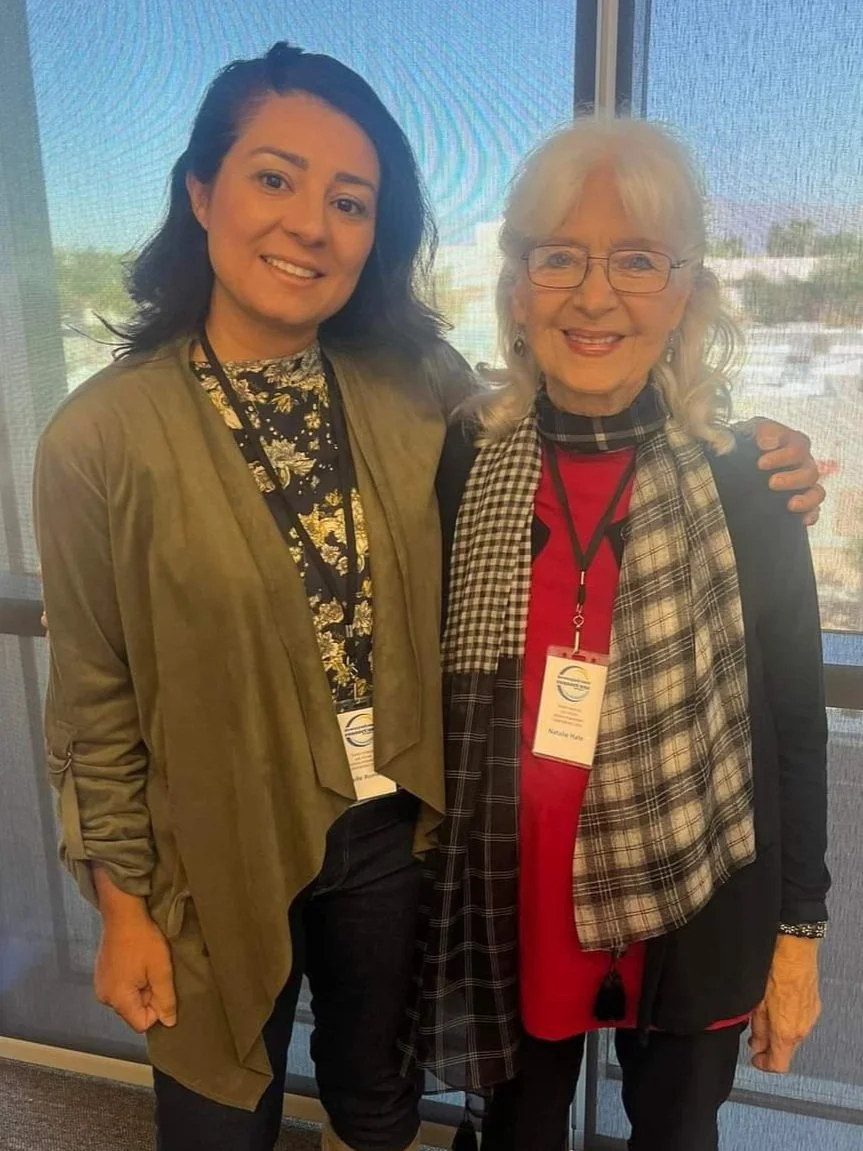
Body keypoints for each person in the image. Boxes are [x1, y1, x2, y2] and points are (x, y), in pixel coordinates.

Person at [34, 44, 821, 1151]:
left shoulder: (419, 396)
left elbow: (596, 380)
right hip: (224, 840)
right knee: (214, 1112)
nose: (309, 223)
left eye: (347, 200)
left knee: (378, 1099)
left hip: (407, 832)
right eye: (273, 178)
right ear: (200, 191)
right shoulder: (102, 436)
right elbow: (95, 697)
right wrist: (118, 905)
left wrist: (766, 449)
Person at [404, 118, 829, 1151]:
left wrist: (796, 939)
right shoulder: (465, 454)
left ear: (682, 289)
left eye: (635, 260)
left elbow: (792, 724)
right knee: (516, 1132)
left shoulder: (748, 480)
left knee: (675, 1135)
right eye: (559, 256)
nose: (594, 296)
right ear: (514, 283)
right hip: (512, 897)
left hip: (695, 883)